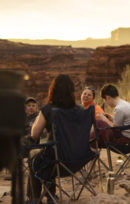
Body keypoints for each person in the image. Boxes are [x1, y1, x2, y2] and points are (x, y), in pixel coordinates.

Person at [27, 74, 83, 204]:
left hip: (57, 160)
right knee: (49, 155)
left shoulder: (48, 109)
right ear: (71, 91)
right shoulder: (80, 110)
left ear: (53, 90)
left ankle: (34, 198)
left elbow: (34, 134)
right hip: (78, 159)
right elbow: (89, 132)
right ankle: (51, 196)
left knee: (36, 157)